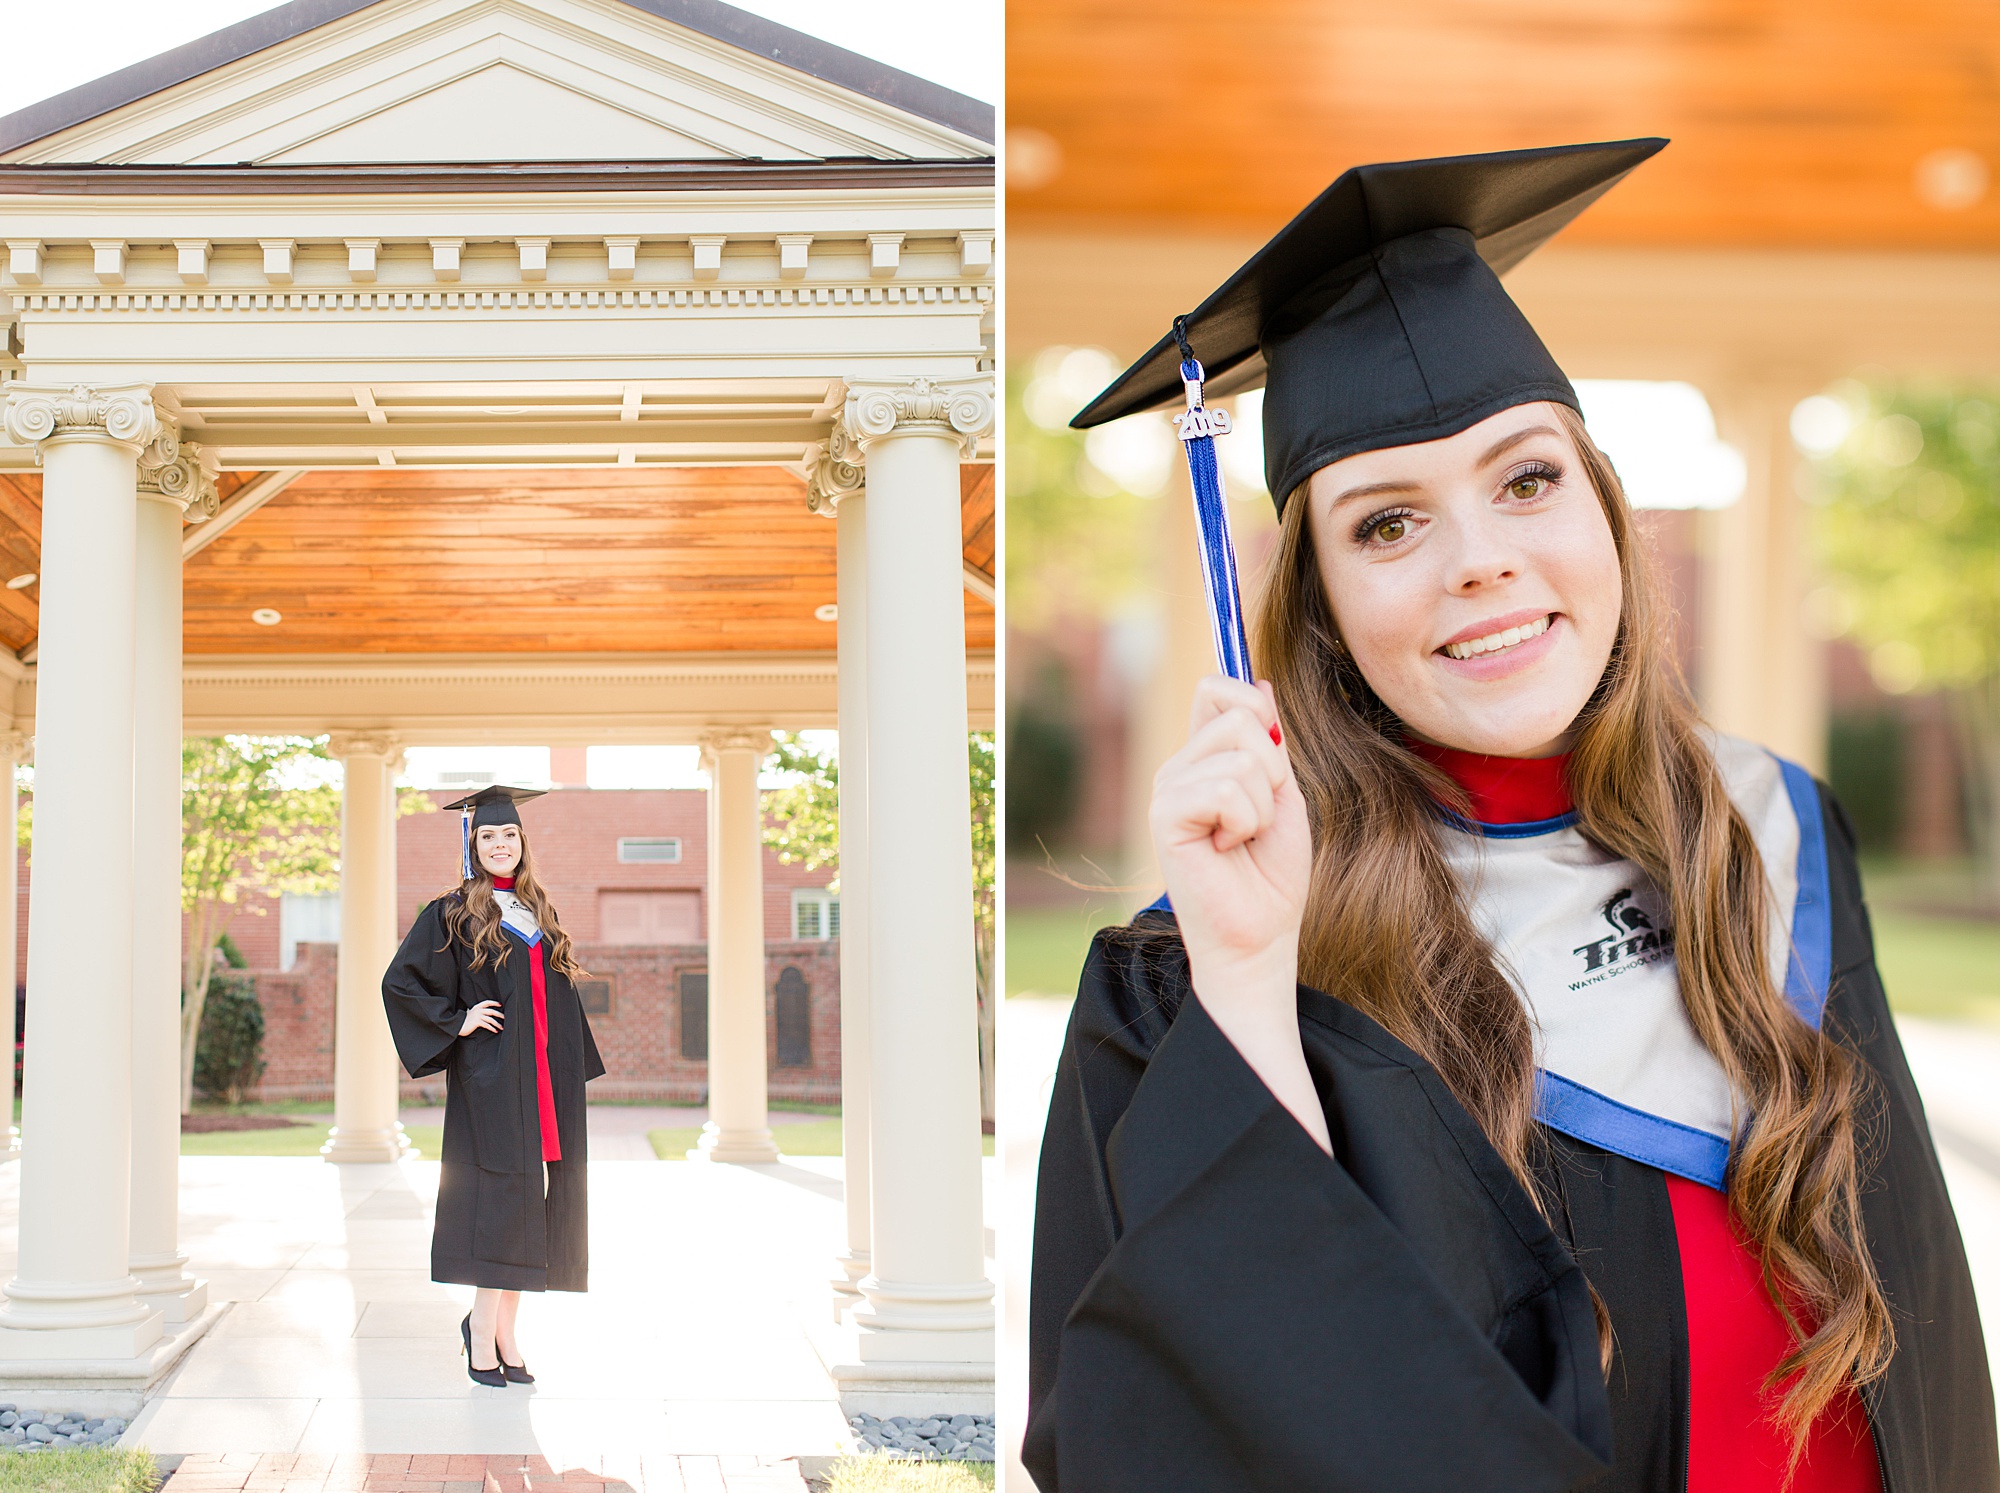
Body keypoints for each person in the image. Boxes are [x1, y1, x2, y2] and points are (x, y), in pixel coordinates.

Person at [1026, 140, 1997, 1492]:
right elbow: (1179, 1433)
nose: (1480, 557)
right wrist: (1250, 991)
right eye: (1385, 524)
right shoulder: (1196, 977)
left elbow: (1928, 1337)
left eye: (1526, 479)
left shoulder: (1779, 835)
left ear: (1604, 509)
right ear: (1314, 602)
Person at [382, 785, 605, 1388]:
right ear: (472, 845)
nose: (500, 844)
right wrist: (459, 1020)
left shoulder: (537, 910)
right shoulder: (452, 911)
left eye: (508, 835)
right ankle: (482, 1330)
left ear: (522, 842)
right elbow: (400, 984)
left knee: (532, 1203)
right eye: (488, 836)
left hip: (547, 1081)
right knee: (502, 1203)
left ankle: (506, 1333)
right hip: (496, 1076)